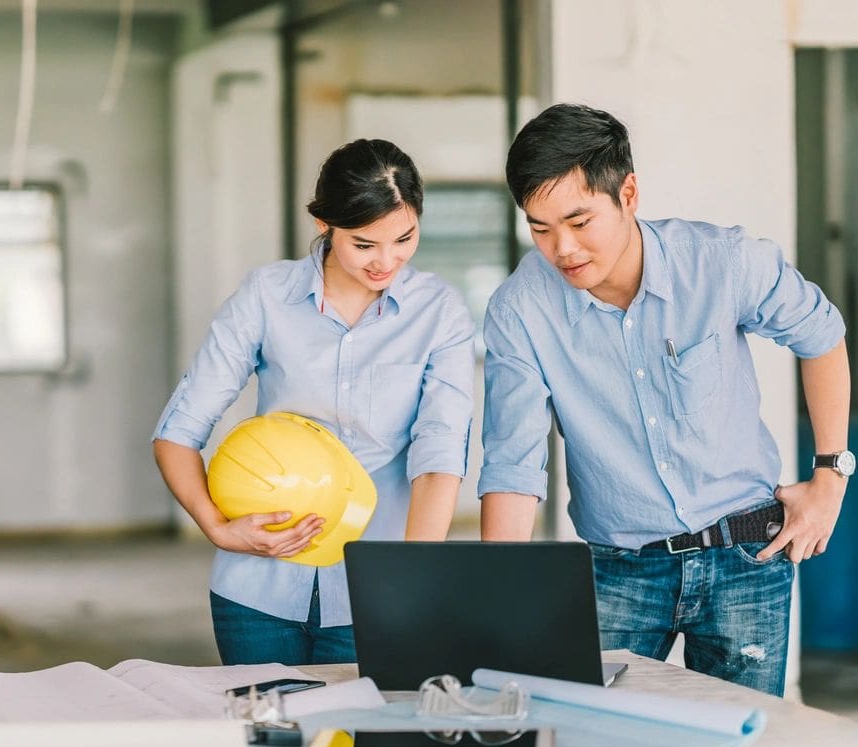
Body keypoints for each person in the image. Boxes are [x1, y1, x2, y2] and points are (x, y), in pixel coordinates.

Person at [479, 103, 851, 696]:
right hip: (618, 569)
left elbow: (822, 336)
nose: (563, 249)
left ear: (628, 193)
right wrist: (498, 596)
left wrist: (830, 474)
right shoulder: (520, 310)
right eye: (540, 228)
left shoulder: (722, 262)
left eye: (579, 221)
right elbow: (514, 462)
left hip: (747, 555)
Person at [152, 138, 475, 666]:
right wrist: (217, 528)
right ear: (323, 224)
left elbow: (439, 455)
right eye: (364, 244)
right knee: (270, 742)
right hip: (256, 592)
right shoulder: (265, 296)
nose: (386, 261)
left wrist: (415, 580)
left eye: (404, 238)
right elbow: (177, 433)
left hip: (378, 594)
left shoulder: (439, 313)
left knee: (362, 746)